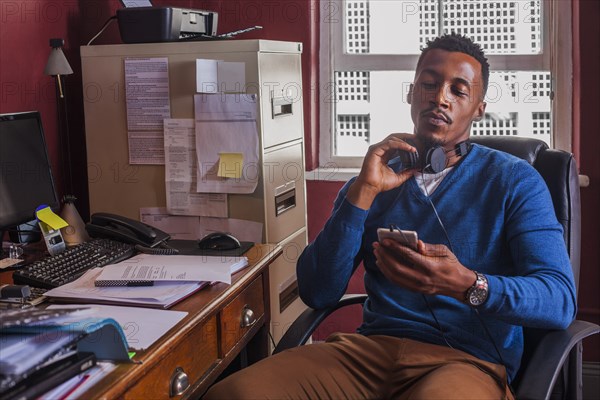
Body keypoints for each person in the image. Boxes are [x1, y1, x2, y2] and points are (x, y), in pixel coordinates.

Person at [204, 33, 576, 400]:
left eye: (458, 90)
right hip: (368, 353)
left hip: (465, 363)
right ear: (412, 93)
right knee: (234, 393)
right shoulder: (371, 181)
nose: (440, 97)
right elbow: (318, 290)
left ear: (478, 107)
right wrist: (361, 194)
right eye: (428, 84)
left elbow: (558, 300)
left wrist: (466, 283)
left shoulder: (514, 180)